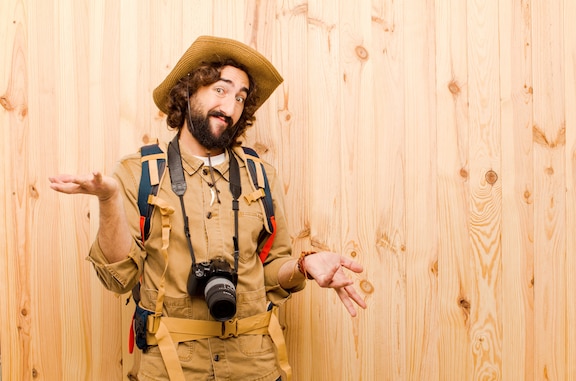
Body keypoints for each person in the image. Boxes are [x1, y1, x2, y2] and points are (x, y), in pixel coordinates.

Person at [49, 35, 367, 381]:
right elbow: (119, 278)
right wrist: (108, 201)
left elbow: (271, 271)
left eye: (240, 98)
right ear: (188, 91)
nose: (230, 107)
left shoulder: (260, 176)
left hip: (255, 366)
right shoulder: (138, 174)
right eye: (220, 89)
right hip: (170, 368)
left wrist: (305, 265)